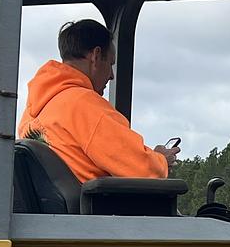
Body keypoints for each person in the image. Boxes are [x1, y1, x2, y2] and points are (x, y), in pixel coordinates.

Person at [18, 19, 180, 182]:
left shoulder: (33, 112)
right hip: (95, 206)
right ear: (96, 56)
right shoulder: (84, 105)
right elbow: (143, 170)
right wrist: (161, 160)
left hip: (53, 206)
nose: (111, 75)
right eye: (110, 64)